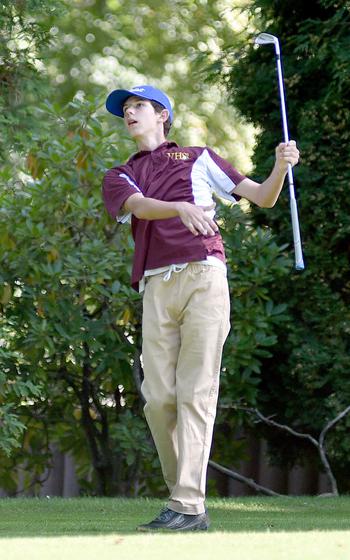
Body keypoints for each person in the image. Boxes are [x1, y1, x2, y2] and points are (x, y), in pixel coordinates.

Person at [102, 85, 299, 531]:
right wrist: (179, 208)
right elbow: (140, 207)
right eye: (126, 109)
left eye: (139, 107)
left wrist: (280, 167)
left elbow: (263, 197)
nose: (130, 114)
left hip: (204, 276)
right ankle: (185, 498)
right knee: (158, 399)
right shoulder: (119, 174)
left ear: (162, 115)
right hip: (156, 285)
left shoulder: (198, 157)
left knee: (195, 392)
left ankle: (187, 503)